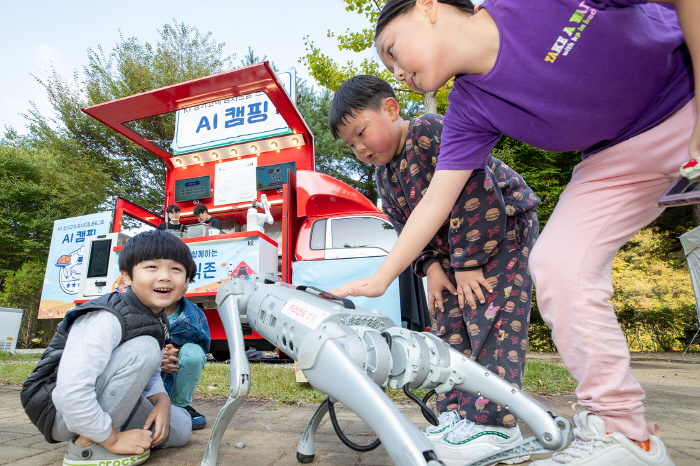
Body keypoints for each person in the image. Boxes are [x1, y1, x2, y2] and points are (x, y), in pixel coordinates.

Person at [331, 1, 698, 465]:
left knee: (495, 317)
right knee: (558, 264)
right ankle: (625, 434)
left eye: (393, 51)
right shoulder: (467, 108)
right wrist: (383, 278)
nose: (397, 72)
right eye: (387, 66)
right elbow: (438, 200)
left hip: (686, 91)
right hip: (616, 158)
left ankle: (494, 421)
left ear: (428, 7)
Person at [329, 74, 540, 464]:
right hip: (453, 258)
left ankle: (496, 425)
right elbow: (405, 227)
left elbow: (477, 190)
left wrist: (469, 261)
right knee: (447, 329)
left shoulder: (428, 130)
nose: (359, 148)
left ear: (391, 109)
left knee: (491, 323)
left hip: (501, 234)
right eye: (350, 145)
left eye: (361, 133)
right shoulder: (384, 176)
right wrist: (431, 267)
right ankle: (457, 416)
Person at [21, 230, 197, 466]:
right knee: (144, 348)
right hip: (59, 411)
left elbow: (150, 372)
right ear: (127, 277)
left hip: (104, 401)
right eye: (152, 267)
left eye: (176, 269)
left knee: (181, 427)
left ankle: (103, 430)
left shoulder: (157, 318)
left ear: (186, 282)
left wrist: (162, 402)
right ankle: (88, 446)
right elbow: (71, 391)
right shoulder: (106, 317)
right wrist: (112, 439)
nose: (165, 277)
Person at [161, 290, 211, 430]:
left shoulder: (194, 314)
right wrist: (156, 355)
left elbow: (202, 346)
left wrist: (174, 354)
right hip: (141, 385)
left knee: (193, 353)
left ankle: (180, 405)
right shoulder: (132, 311)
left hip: (173, 370)